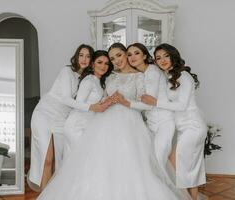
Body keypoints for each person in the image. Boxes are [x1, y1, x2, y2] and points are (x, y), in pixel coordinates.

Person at [36, 43, 191, 200]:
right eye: (112, 58)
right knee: (100, 161)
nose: (116, 61)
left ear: (126, 54)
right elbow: (102, 98)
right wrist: (107, 101)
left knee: (130, 162)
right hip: (104, 121)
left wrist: (125, 102)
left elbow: (146, 104)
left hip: (129, 121)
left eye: (119, 55)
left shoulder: (140, 76)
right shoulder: (110, 76)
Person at [27, 44, 110, 191]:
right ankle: (44, 195)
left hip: (62, 119)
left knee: (58, 160)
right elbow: (66, 99)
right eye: (81, 55)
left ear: (91, 61)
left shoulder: (87, 79)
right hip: (46, 113)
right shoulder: (67, 71)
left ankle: (53, 193)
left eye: (88, 56)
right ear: (76, 56)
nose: (84, 59)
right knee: (47, 158)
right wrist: (92, 107)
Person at [141, 43, 207, 200]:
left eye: (166, 56)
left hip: (193, 126)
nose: (162, 60)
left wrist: (154, 102)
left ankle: (189, 198)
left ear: (173, 56)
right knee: (182, 163)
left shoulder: (184, 76)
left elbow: (182, 105)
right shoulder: (168, 76)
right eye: (158, 58)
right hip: (183, 127)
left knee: (182, 165)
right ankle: (190, 197)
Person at [126, 43, 176, 179]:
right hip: (151, 123)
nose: (132, 57)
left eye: (136, 53)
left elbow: (149, 105)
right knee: (151, 161)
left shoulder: (152, 71)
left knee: (158, 161)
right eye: (129, 54)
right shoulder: (142, 74)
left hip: (164, 122)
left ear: (145, 56)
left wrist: (125, 102)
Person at [63, 50, 113, 159]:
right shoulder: (89, 80)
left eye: (106, 63)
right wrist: (93, 107)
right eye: (99, 62)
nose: (103, 66)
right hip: (77, 125)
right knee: (79, 159)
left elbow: (98, 104)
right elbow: (78, 104)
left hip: (88, 124)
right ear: (92, 64)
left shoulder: (100, 82)